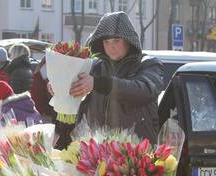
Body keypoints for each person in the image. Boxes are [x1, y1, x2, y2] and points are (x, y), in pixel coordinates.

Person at [70, 12, 164, 144]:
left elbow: (145, 90)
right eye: (106, 42)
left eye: (116, 41)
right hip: (97, 153)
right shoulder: (94, 66)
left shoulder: (148, 64)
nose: (111, 47)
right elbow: (75, 92)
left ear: (128, 40)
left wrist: (98, 83)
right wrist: (61, 88)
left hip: (136, 155)